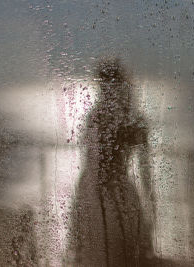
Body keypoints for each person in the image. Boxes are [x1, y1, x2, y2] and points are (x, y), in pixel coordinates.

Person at [69, 58, 156, 266]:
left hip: (102, 192)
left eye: (105, 84)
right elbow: (146, 173)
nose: (105, 90)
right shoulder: (129, 118)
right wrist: (152, 204)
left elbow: (91, 162)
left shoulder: (98, 117)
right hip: (111, 193)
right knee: (118, 251)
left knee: (106, 252)